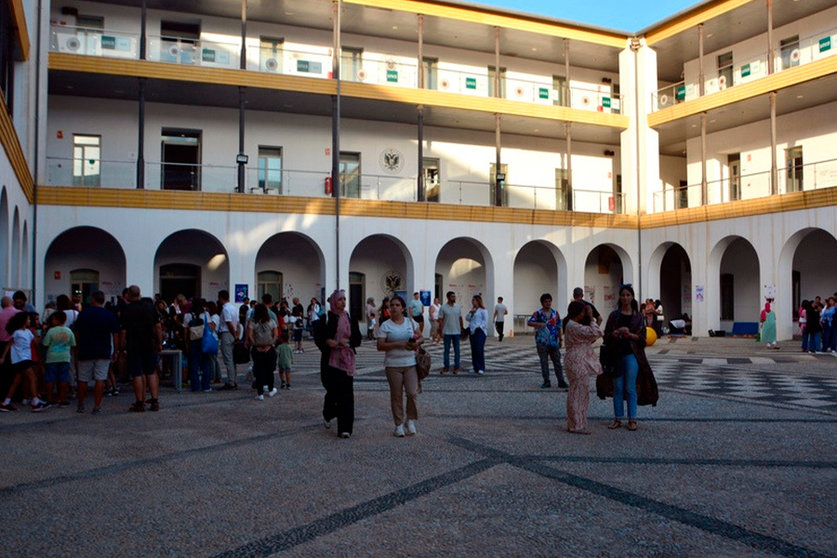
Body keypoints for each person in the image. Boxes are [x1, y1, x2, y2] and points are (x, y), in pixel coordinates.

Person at [601, 284, 658, 431]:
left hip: (632, 354)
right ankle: (618, 418)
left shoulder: (638, 316)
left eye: (628, 295)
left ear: (632, 297)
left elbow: (643, 338)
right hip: (616, 354)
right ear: (620, 297)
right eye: (623, 295)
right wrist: (614, 334)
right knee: (618, 387)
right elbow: (606, 336)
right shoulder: (614, 315)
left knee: (630, 387)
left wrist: (629, 334)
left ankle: (632, 419)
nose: (625, 298)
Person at [314, 289, 361, 439]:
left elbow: (358, 338)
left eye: (344, 299)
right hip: (330, 360)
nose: (343, 302)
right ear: (334, 301)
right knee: (332, 391)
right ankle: (328, 413)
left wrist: (347, 342)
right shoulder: (326, 318)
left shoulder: (350, 317)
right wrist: (329, 342)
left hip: (346, 360)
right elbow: (319, 337)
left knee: (347, 394)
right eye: (340, 299)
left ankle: (345, 428)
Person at [376, 295, 422, 437]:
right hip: (393, 365)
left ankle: (410, 420)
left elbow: (421, 337)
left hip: (410, 363)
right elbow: (380, 345)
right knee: (396, 396)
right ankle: (398, 424)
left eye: (397, 305)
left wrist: (416, 343)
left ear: (402, 308)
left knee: (412, 393)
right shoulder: (386, 325)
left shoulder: (410, 322)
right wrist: (397, 344)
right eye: (392, 305)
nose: (394, 307)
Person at [74, 291, 121, 414]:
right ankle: (97, 406)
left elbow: (77, 331)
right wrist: (116, 350)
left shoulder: (83, 313)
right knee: (100, 378)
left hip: (86, 349)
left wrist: (78, 346)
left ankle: (80, 404)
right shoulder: (109, 315)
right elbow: (115, 334)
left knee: (83, 379)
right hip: (103, 350)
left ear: (93, 300)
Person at [563, 301, 603, 434]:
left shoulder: (571, 324)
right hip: (578, 361)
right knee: (578, 393)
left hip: (575, 359)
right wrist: (591, 317)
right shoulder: (574, 326)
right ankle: (577, 425)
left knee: (578, 392)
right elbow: (596, 332)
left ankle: (576, 423)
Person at [121, 285, 163, 412]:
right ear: (139, 294)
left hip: (133, 344)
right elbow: (158, 326)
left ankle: (139, 402)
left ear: (128, 294)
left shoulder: (127, 310)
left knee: (137, 373)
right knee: (151, 371)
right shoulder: (150, 307)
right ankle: (155, 400)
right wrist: (159, 342)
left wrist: (121, 347)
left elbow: (123, 330)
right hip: (148, 343)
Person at [0, 312, 47, 411]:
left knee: (17, 381)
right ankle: (35, 401)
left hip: (25, 358)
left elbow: (35, 342)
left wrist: (39, 333)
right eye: (28, 319)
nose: (30, 321)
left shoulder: (28, 332)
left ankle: (6, 402)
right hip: (20, 358)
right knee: (32, 377)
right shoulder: (17, 332)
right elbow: (9, 344)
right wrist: (3, 357)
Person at [528, 293, 568, 390]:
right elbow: (529, 322)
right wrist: (538, 324)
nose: (548, 303)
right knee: (544, 361)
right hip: (542, 342)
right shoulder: (538, 313)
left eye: (549, 301)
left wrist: (561, 339)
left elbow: (559, 327)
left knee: (557, 361)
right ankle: (546, 380)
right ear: (542, 303)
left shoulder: (555, 313)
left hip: (553, 341)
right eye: (546, 302)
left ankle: (561, 380)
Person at [41, 310, 76, 408]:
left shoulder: (51, 331)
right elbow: (73, 344)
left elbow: (45, 344)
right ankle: (62, 398)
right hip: (65, 357)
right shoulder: (69, 331)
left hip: (52, 357)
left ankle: (50, 398)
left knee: (50, 378)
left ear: (57, 320)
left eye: (53, 319)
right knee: (63, 378)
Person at [246, 303, 278, 400]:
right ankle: (271, 389)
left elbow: (250, 334)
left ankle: (260, 393)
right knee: (269, 370)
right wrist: (271, 343)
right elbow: (275, 334)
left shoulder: (252, 322)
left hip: (257, 348)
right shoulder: (271, 321)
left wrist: (255, 344)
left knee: (259, 370)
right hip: (269, 348)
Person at [217, 290, 240, 389]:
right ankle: (233, 379)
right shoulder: (234, 308)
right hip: (233, 333)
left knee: (228, 359)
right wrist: (237, 335)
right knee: (233, 359)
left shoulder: (225, 309)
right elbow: (238, 324)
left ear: (221, 298)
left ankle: (231, 382)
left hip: (227, 333)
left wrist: (234, 334)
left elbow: (229, 323)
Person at [437, 291, 463, 374]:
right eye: (452, 296)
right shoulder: (443, 307)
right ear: (448, 297)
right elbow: (440, 320)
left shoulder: (458, 307)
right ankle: (446, 367)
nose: (454, 298)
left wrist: (462, 329)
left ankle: (457, 367)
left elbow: (460, 318)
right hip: (447, 331)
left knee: (457, 350)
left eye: (454, 296)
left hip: (456, 331)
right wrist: (440, 330)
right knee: (446, 350)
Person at [466, 295, 488, 375]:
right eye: (472, 300)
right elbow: (467, 318)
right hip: (472, 331)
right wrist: (471, 313)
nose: (473, 302)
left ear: (478, 301)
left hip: (480, 331)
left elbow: (485, 321)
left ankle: (481, 367)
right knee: (474, 350)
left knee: (479, 349)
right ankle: (475, 367)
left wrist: (480, 327)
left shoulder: (483, 310)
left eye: (474, 300)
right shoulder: (473, 310)